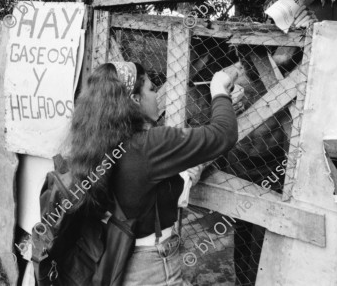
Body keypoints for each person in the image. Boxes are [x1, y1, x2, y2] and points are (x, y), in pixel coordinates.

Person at [67, 61, 238, 286]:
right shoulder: (149, 145)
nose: (157, 94)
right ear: (135, 100)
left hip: (115, 257)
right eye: (151, 88)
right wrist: (219, 91)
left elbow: (152, 181)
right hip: (153, 265)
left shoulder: (93, 144)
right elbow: (224, 135)